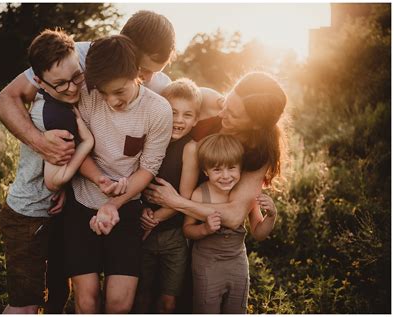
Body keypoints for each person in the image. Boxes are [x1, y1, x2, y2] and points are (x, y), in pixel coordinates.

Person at [0, 11, 177, 313]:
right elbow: (6, 99)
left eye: (156, 71)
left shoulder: (155, 89)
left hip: (83, 198)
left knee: (61, 295)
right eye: (143, 68)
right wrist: (44, 148)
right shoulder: (74, 57)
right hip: (39, 201)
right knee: (32, 301)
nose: (148, 78)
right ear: (125, 46)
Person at [62, 35, 172, 313]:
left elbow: (148, 167)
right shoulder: (86, 95)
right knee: (86, 301)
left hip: (126, 208)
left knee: (119, 303)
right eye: (104, 92)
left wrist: (113, 204)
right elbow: (78, 149)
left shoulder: (158, 110)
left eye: (119, 91)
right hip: (81, 204)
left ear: (138, 74)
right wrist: (99, 179)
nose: (112, 101)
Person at [0, 29, 94, 314]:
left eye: (77, 77)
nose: (72, 88)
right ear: (38, 82)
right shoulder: (55, 115)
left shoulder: (61, 103)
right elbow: (54, 181)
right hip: (28, 216)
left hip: (47, 213)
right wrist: (87, 143)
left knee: (55, 296)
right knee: (25, 306)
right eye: (60, 84)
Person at [145, 71, 287, 239]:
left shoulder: (258, 152)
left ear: (255, 125)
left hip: (195, 231)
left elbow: (234, 216)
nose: (221, 114)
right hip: (153, 207)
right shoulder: (205, 99)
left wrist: (176, 202)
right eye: (226, 102)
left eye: (232, 114)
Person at [183, 133, 277, 313]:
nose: (225, 176)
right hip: (207, 264)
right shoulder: (200, 194)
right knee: (206, 308)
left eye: (232, 168)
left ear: (241, 168)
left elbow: (259, 233)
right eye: (217, 170)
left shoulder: (244, 196)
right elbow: (187, 230)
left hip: (237, 263)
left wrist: (271, 216)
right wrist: (204, 229)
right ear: (205, 171)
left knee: (236, 309)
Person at [134, 78, 201, 313]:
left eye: (187, 115)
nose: (179, 120)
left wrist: (155, 219)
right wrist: (142, 215)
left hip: (173, 236)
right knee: (140, 295)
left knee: (168, 300)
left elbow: (185, 197)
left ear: (196, 119)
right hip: (140, 231)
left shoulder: (190, 149)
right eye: (173, 113)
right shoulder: (149, 137)